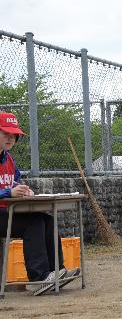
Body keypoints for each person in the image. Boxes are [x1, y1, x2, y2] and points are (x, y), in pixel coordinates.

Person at [0, 112, 79, 296]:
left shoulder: (9, 159)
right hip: (2, 214)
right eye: (6, 134)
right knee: (33, 223)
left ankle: (55, 271)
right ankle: (38, 279)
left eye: (14, 135)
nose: (11, 138)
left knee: (46, 219)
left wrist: (21, 189)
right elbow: (7, 189)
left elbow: (14, 181)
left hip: (8, 212)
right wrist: (8, 192)